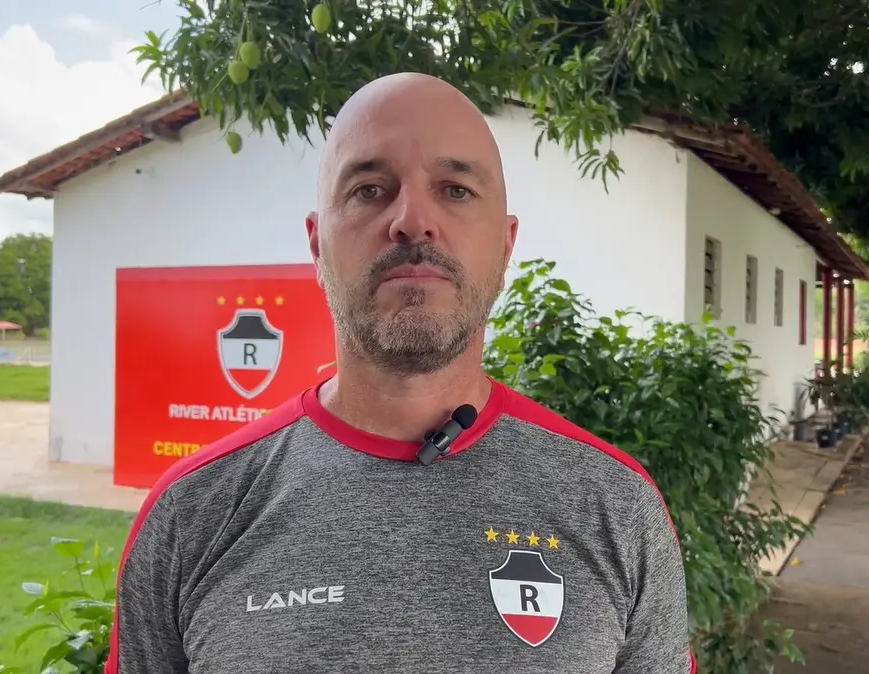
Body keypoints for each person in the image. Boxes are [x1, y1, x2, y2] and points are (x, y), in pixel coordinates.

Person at [106, 72, 694, 674]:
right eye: (369, 190)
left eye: (456, 190)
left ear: (506, 244)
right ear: (316, 244)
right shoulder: (192, 514)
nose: (413, 221)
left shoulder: (616, 507)